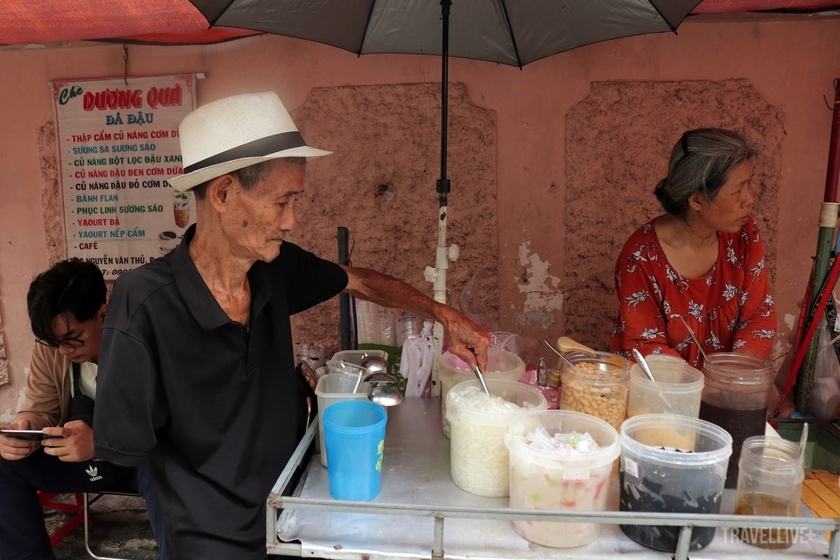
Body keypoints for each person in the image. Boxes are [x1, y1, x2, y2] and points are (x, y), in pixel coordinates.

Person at [92, 91, 490, 560]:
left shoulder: (272, 269)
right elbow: (125, 451)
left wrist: (446, 316)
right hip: (207, 540)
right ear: (222, 194)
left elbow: (359, 282)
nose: (293, 221)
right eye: (282, 202)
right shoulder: (143, 305)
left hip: (291, 516)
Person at [0, 258, 168, 560]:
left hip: (141, 461)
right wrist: (25, 427)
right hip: (80, 458)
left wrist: (101, 440)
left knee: (166, 468)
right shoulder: (53, 346)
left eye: (72, 339)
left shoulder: (144, 339)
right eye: (53, 342)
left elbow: (169, 423)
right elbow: (40, 405)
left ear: (102, 314)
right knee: (2, 462)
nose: (63, 350)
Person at [610, 128, 776, 368]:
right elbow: (646, 345)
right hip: (665, 396)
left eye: (749, 184)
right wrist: (702, 389)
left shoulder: (743, 235)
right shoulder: (641, 258)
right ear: (697, 199)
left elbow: (758, 315)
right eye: (738, 190)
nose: (750, 198)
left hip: (727, 391)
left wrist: (733, 376)